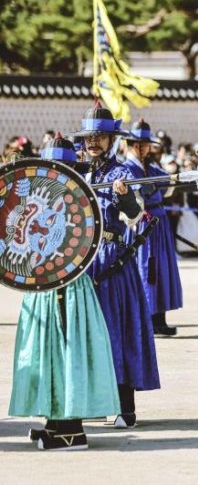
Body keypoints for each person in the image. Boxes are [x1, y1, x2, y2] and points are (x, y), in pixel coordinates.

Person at [8, 134, 120, 451]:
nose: (59, 171)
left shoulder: (84, 200)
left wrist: (122, 199)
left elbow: (100, 231)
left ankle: (71, 429)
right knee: (47, 353)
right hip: (43, 285)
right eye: (54, 166)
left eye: (64, 166)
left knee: (67, 352)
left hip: (70, 287)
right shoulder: (38, 199)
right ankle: (56, 421)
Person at [71, 103, 160, 428]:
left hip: (112, 259)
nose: (93, 142)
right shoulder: (78, 172)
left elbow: (136, 215)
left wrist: (123, 198)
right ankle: (93, 402)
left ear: (111, 140)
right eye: (89, 137)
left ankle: (126, 407)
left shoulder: (122, 173)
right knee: (86, 334)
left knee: (116, 331)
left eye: (100, 137)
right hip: (82, 263)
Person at [123, 119, 184, 336]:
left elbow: (168, 186)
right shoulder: (127, 168)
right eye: (136, 143)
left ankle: (160, 318)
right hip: (142, 224)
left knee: (162, 270)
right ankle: (145, 319)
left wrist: (170, 180)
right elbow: (132, 197)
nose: (141, 147)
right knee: (146, 269)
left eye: (145, 144)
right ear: (128, 145)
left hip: (160, 221)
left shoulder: (151, 167)